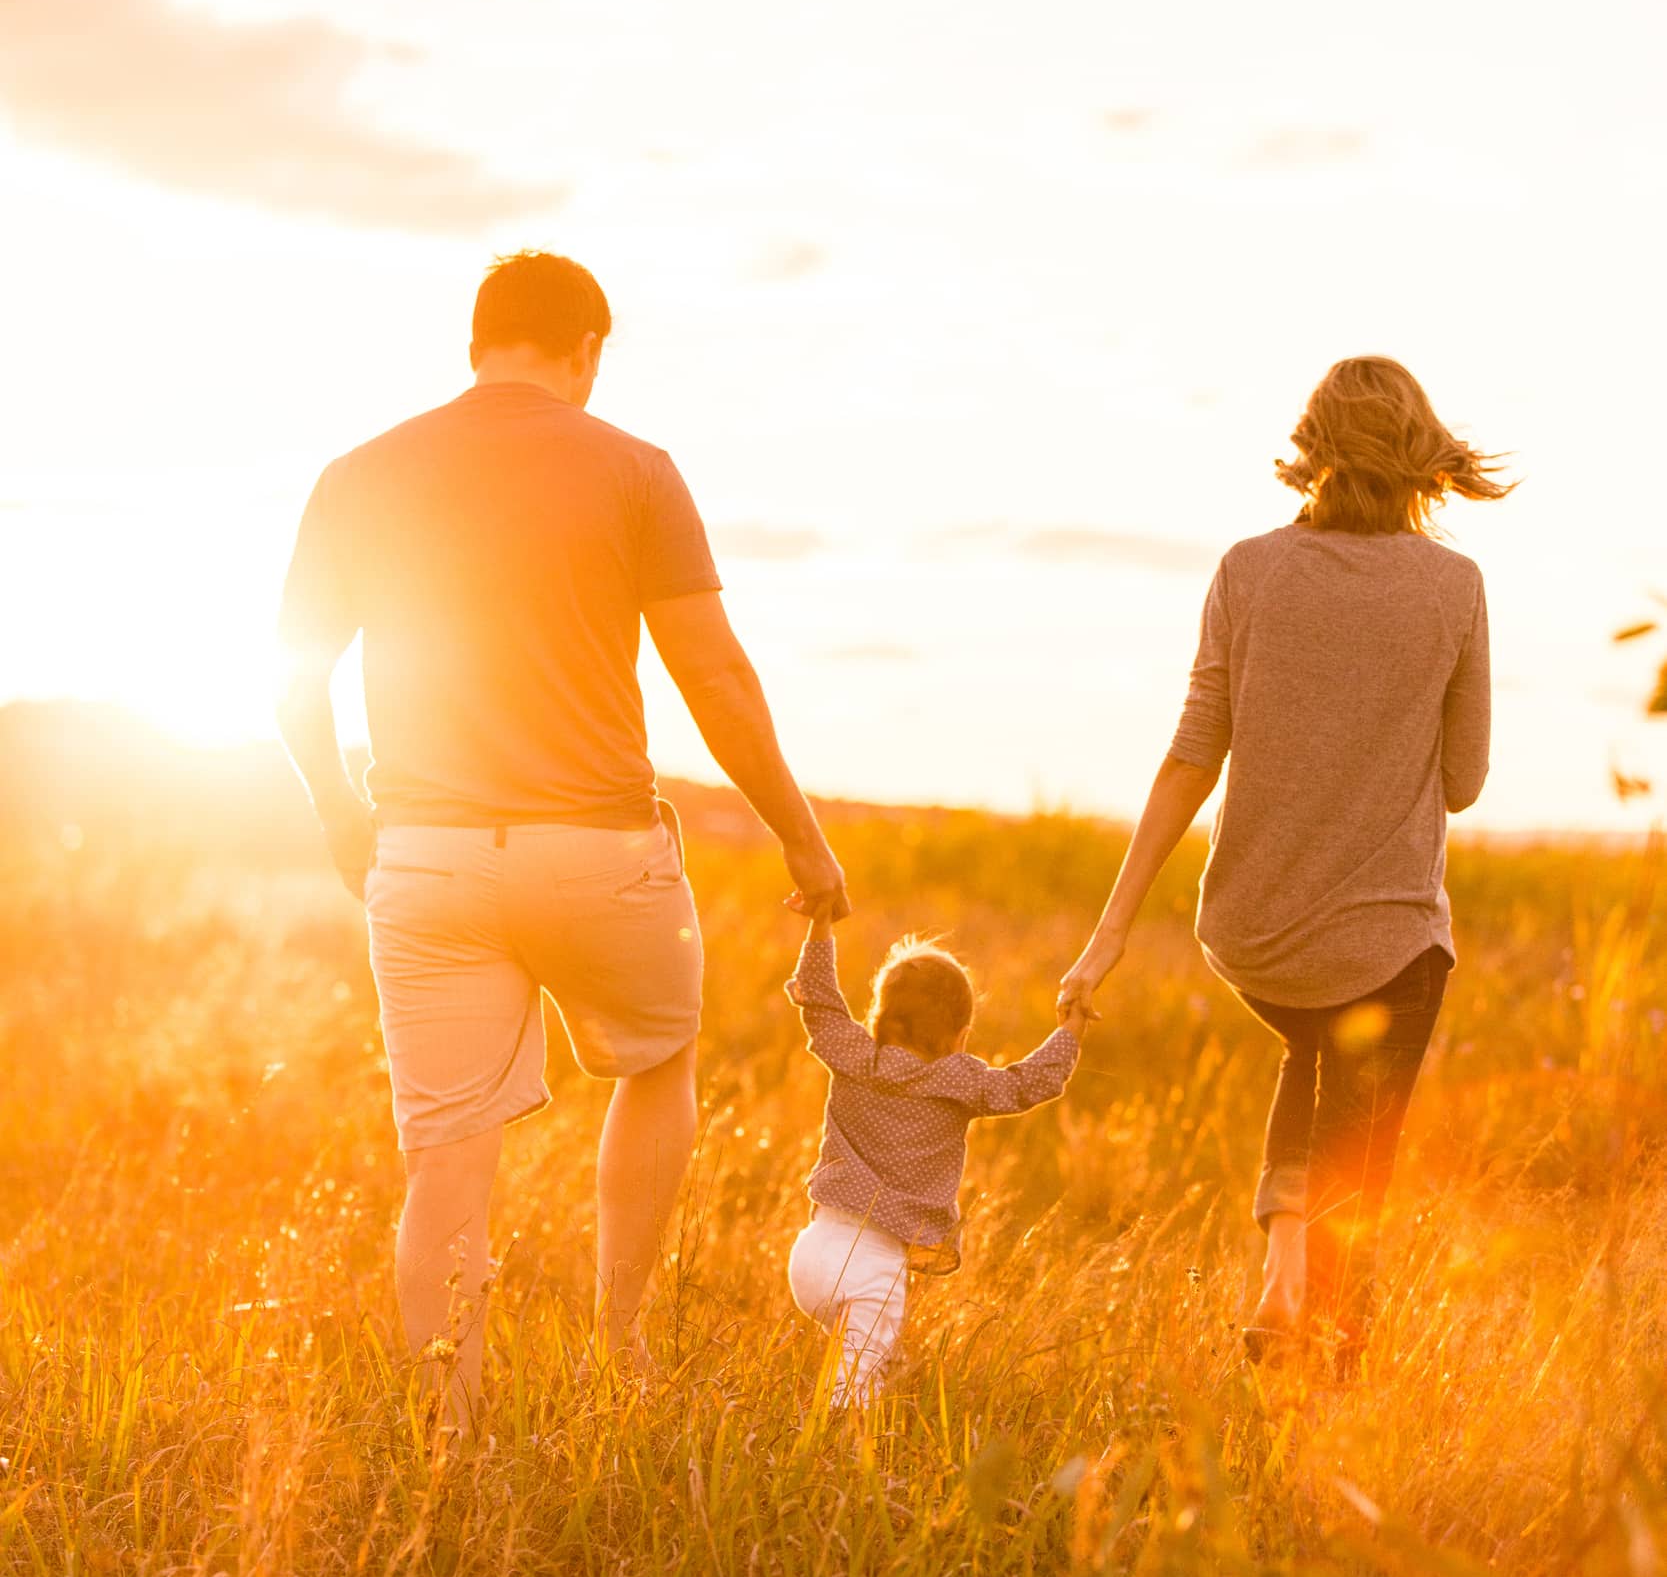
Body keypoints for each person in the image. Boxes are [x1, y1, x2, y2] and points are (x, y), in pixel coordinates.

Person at [277, 250, 848, 1423]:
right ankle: (622, 1340)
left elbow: (292, 683)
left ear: (477, 343)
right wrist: (801, 836)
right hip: (600, 854)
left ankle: (453, 1426)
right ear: (586, 349)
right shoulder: (636, 469)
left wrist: (345, 819)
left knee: (447, 1154)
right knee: (656, 1059)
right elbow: (717, 678)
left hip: (426, 855)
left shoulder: (358, 473)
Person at [1057, 355, 1510, 1367]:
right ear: (1416, 454)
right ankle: (1327, 1362)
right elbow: (1464, 780)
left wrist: (1108, 933)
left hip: (1251, 937)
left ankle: (1276, 1278)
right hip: (1385, 944)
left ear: (1311, 447)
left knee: (1310, 1047)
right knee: (1359, 1147)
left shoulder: (1245, 569)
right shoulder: (1452, 586)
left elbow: (1188, 756)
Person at [786, 919, 1084, 1403]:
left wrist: (820, 925)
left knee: (871, 1359)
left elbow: (818, 1001)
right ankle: (841, 1459)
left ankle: (884, 1382)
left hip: (810, 1253)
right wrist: (1070, 1030)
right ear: (961, 1036)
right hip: (872, 1269)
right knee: (853, 1395)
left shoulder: (855, 1053)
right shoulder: (958, 1080)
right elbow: (1030, 1082)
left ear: (877, 1018)